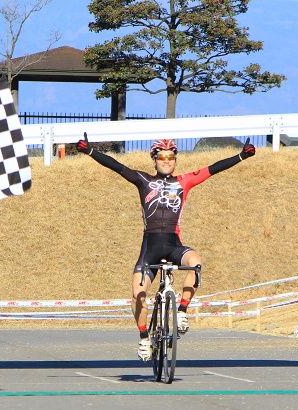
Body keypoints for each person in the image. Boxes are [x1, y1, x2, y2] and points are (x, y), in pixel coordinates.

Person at [76, 134, 255, 361]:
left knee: (196, 263)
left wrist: (241, 156)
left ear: (175, 160)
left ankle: (181, 312)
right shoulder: (143, 180)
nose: (166, 161)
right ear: (154, 159)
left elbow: (213, 169)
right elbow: (117, 166)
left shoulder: (184, 181)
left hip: (173, 245)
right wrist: (91, 152)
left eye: (171, 156)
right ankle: (143, 338)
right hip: (149, 248)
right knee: (138, 294)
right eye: (162, 157)